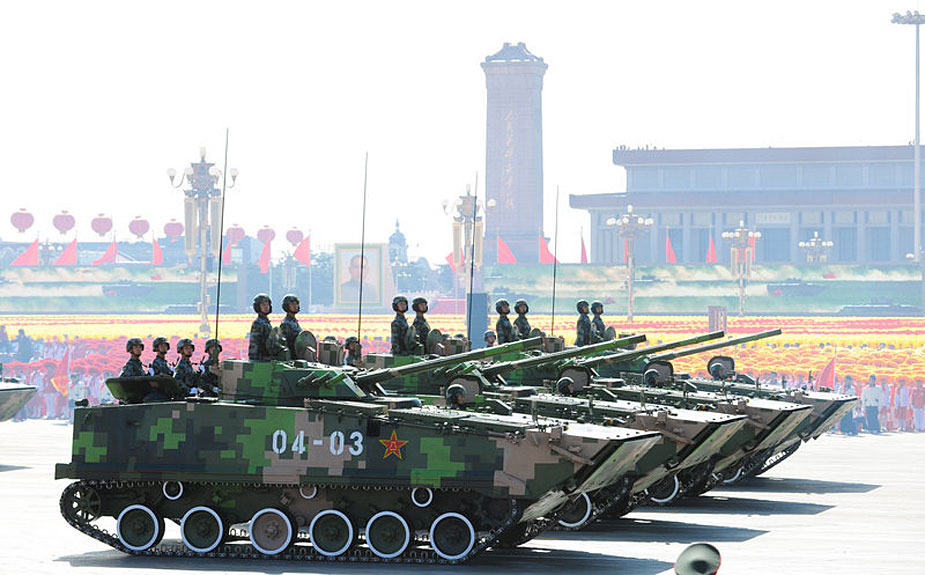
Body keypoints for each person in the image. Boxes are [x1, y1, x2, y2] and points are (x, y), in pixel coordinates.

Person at [248, 293, 273, 361]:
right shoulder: (258, 323)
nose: (266, 307)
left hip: (267, 357)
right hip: (260, 358)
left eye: (267, 304)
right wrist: (254, 359)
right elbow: (254, 343)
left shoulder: (266, 322)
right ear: (257, 307)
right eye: (263, 305)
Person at [279, 294, 302, 359]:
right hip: (291, 357)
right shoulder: (285, 323)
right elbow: (285, 343)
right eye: (292, 304)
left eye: (296, 304)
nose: (295, 306)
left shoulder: (294, 322)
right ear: (287, 306)